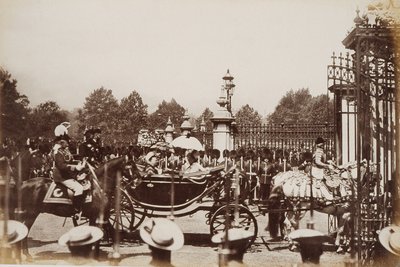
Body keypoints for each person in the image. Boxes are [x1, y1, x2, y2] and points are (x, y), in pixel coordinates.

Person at [53, 135, 86, 212]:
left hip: (67, 174)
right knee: (79, 188)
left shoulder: (65, 150)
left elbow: (70, 160)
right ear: (61, 142)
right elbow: (61, 166)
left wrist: (80, 162)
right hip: (62, 176)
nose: (68, 142)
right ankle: (75, 209)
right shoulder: (57, 152)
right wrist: (75, 168)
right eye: (67, 141)